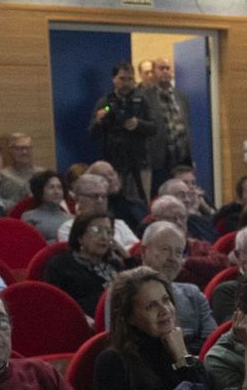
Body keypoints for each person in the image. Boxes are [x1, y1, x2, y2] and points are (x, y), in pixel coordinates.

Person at [91, 267, 212, 390]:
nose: (165, 310)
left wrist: (182, 357)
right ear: (129, 317)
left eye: (166, 300)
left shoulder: (178, 345)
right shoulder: (112, 362)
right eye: (151, 306)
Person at [132, 221, 216, 350]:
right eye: (165, 249)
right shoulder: (126, 293)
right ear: (143, 251)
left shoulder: (193, 294)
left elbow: (212, 342)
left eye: (178, 252)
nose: (173, 258)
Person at [90, 62, 157, 204]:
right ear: (114, 79)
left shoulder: (142, 100)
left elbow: (154, 128)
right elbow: (92, 133)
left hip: (140, 161)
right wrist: (99, 120)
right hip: (114, 162)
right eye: (122, 79)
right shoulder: (107, 103)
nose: (126, 83)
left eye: (129, 79)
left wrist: (138, 124)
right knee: (115, 201)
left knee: (141, 202)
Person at [42, 213, 116, 317]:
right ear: (80, 237)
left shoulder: (114, 264)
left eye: (109, 232)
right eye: (96, 230)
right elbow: (56, 304)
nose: (104, 237)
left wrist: (125, 255)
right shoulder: (60, 266)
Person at [142, 56, 194, 192]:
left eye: (168, 68)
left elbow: (186, 125)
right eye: (161, 68)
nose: (165, 71)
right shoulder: (144, 97)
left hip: (182, 159)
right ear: (153, 72)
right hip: (159, 160)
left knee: (184, 194)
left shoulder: (180, 97)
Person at [18, 171, 70, 241]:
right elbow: (27, 244)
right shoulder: (29, 217)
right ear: (40, 191)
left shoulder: (71, 219)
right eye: (51, 187)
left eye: (60, 187)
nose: (56, 192)